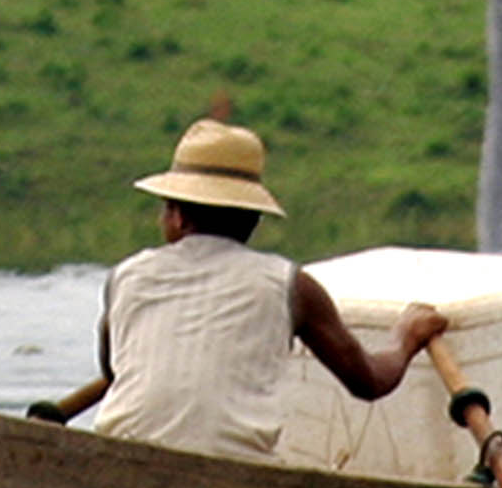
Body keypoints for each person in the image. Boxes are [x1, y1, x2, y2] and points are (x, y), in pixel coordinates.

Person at [76, 119, 445, 461]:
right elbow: (369, 382)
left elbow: (112, 367)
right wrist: (406, 338)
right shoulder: (289, 285)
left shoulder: (126, 276)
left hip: (120, 462)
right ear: (253, 218)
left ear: (178, 216)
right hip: (235, 474)